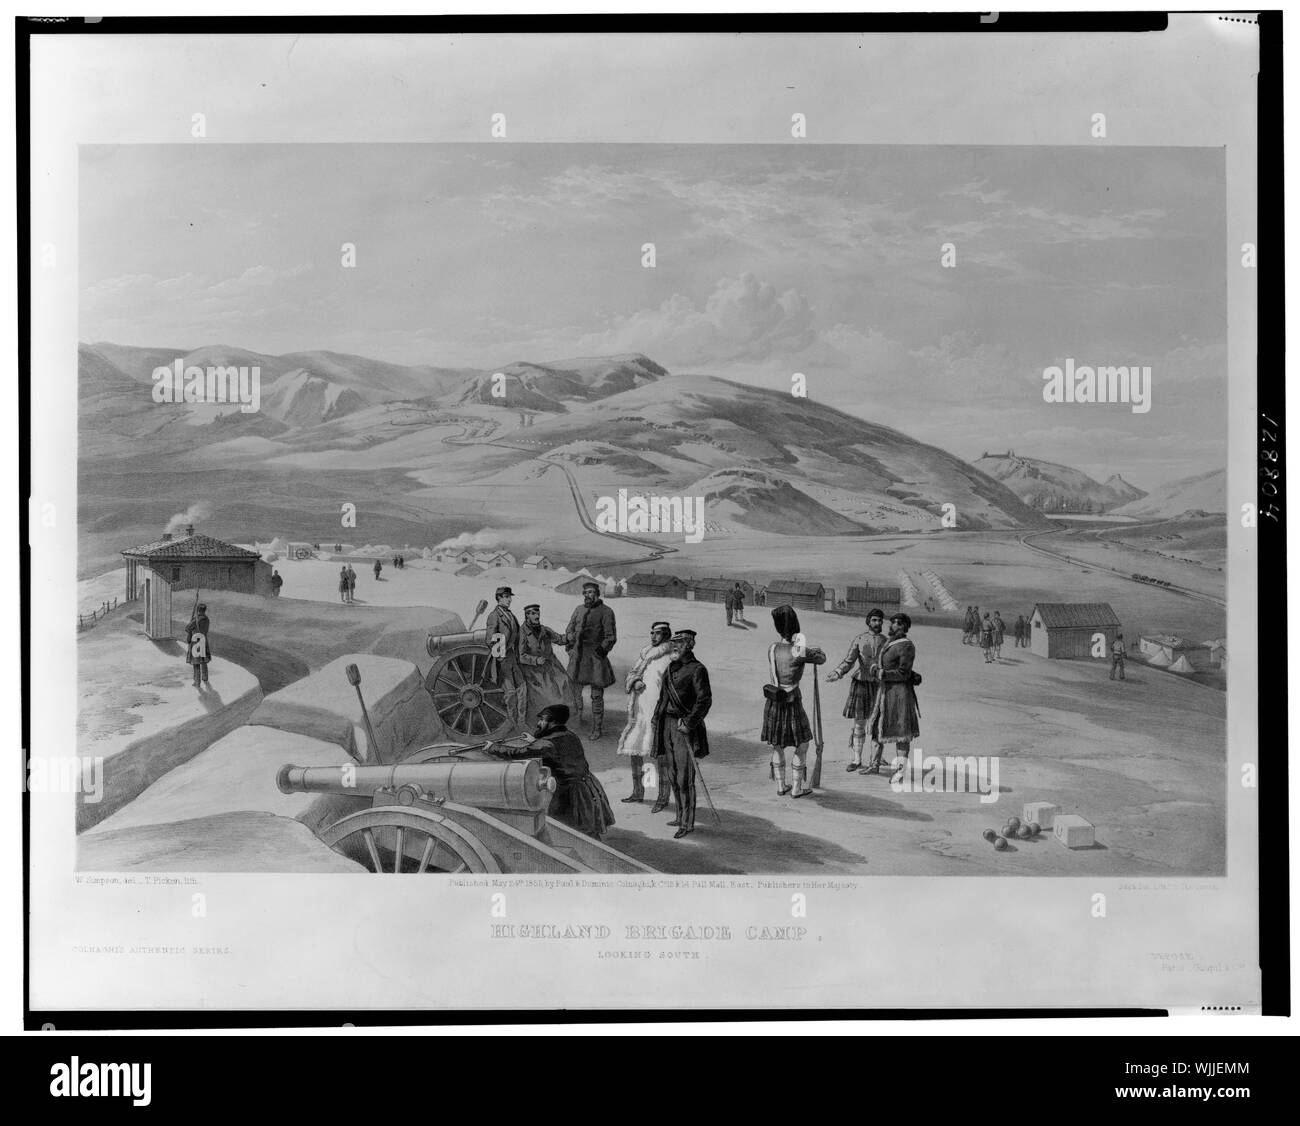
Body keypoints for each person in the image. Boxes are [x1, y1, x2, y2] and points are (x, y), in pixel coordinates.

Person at [494, 704, 614, 839]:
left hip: (571, 794)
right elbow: (554, 749)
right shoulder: (570, 735)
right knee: (584, 829)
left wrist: (493, 747)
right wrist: (534, 741)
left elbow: (518, 753)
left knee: (568, 830)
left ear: (552, 722)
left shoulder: (548, 744)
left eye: (542, 720)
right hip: (587, 788)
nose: (539, 723)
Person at [761, 604, 826, 798]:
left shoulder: (772, 648)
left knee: (777, 745)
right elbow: (821, 658)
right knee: (803, 744)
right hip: (792, 702)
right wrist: (814, 650)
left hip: (773, 701)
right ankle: (797, 789)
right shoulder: (800, 650)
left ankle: (781, 786)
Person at [652, 629, 712, 838]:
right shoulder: (671, 668)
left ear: (689, 645)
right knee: (672, 773)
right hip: (667, 725)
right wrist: (655, 718)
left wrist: (688, 723)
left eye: (679, 643)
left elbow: (704, 701)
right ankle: (679, 815)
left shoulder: (697, 669)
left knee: (684, 777)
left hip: (684, 728)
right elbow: (663, 698)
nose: (674, 646)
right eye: (673, 643)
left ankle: (687, 823)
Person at [616, 621, 675, 804]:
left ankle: (663, 796)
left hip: (658, 713)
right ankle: (638, 792)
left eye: (657, 633)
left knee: (661, 756)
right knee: (635, 751)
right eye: (652, 633)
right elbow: (633, 673)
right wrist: (635, 682)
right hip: (640, 712)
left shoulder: (671, 658)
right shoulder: (646, 654)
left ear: (665, 635)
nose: (653, 636)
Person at [826, 607, 887, 773]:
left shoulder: (886, 641)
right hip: (861, 683)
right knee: (859, 723)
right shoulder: (859, 639)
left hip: (879, 685)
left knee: (877, 724)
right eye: (874, 620)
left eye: (880, 620)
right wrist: (837, 672)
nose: (877, 623)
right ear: (868, 622)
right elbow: (849, 661)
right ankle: (857, 759)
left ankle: (876, 757)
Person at [868, 613, 921, 780]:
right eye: (892, 623)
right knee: (877, 727)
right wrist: (876, 667)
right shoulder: (889, 642)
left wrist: (882, 673)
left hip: (899, 695)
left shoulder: (907, 645)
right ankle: (874, 765)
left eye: (898, 623)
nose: (893, 626)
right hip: (885, 692)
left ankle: (899, 772)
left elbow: (903, 673)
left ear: (904, 627)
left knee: (901, 732)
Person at [564, 581, 617, 739]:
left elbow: (610, 637)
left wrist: (600, 652)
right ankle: (577, 720)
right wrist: (570, 647)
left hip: (595, 660)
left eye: (591, 592)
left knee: (596, 695)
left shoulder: (606, 611)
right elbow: (569, 629)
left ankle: (597, 728)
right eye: (586, 592)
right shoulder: (578, 610)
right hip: (578, 659)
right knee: (575, 691)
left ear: (597, 594)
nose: (588, 595)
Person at [518, 603, 577, 729]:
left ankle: (558, 720)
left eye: (538, 613)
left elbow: (559, 639)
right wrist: (535, 660)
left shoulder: (545, 629)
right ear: (527, 616)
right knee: (544, 693)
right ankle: (537, 725)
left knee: (564, 682)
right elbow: (521, 656)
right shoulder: (522, 632)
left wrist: (571, 637)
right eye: (533, 613)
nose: (537, 615)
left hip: (550, 666)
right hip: (533, 671)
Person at [485, 586, 527, 731]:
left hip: (512, 657)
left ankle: (521, 722)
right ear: (499, 598)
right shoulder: (494, 615)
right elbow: (490, 639)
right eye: (507, 597)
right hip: (501, 660)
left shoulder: (511, 615)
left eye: (510, 597)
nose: (509, 600)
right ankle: (512, 724)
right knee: (510, 694)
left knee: (522, 688)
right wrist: (501, 657)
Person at [185, 601, 212, 688]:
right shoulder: (207, 619)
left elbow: (187, 628)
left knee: (196, 663)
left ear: (198, 610)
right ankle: (205, 677)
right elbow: (206, 631)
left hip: (196, 643)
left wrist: (192, 620)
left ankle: (197, 682)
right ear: (204, 610)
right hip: (203, 642)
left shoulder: (195, 619)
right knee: (203, 661)